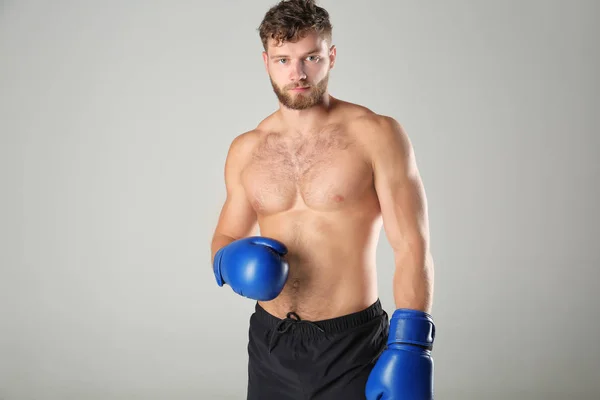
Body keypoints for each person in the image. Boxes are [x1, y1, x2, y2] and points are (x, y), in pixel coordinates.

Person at [210, 0, 436, 398]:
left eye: (310, 57)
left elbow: (411, 247)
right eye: (283, 60)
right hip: (270, 343)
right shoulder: (246, 149)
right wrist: (228, 260)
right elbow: (226, 233)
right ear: (266, 62)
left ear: (330, 56)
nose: (297, 74)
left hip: (351, 344)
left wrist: (411, 344)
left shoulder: (376, 135)